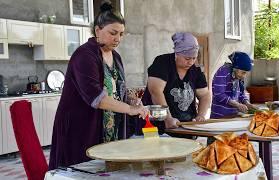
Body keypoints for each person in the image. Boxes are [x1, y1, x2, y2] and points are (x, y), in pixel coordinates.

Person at [49, 2, 148, 170]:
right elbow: (96, 98)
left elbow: (118, 90)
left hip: (110, 130)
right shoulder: (84, 55)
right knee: (83, 171)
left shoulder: (116, 57)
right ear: (97, 30)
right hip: (81, 130)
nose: (118, 38)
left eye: (121, 34)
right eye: (113, 33)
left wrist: (132, 101)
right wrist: (130, 110)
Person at [142, 32, 211, 136]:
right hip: (157, 126)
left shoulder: (195, 71)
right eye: (187, 58)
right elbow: (156, 91)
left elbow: (205, 95)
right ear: (177, 53)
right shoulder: (162, 63)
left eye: (194, 58)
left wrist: (201, 115)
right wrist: (167, 118)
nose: (191, 62)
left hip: (185, 127)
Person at [210, 51, 257, 118]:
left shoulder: (238, 77)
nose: (244, 76)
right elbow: (219, 95)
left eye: (246, 73)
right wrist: (237, 104)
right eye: (243, 73)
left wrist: (247, 103)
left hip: (234, 115)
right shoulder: (223, 72)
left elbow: (241, 94)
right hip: (219, 117)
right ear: (235, 68)